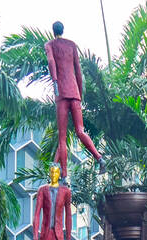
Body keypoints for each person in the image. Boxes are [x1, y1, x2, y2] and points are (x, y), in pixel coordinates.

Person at [44, 21, 103, 178]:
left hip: (62, 93)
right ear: (63, 30)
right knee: (80, 130)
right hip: (75, 92)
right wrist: (79, 93)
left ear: (53, 31)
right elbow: (78, 71)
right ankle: (99, 158)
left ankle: (64, 175)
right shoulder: (72, 45)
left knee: (62, 137)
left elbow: (51, 62)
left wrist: (55, 81)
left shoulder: (49, 44)